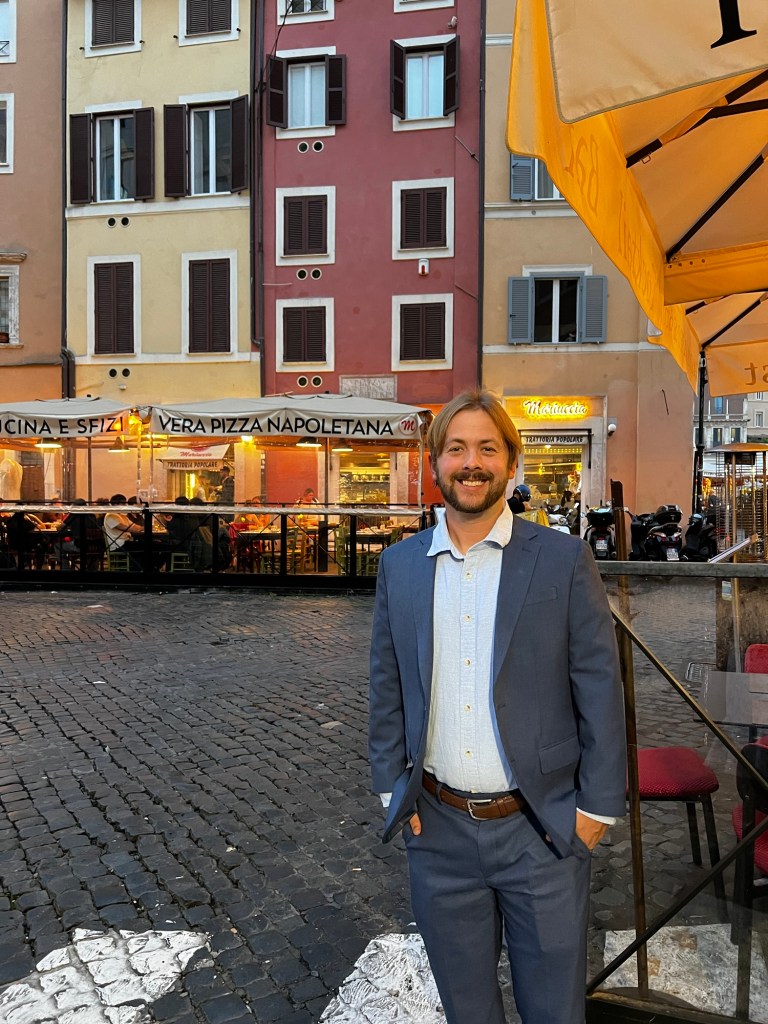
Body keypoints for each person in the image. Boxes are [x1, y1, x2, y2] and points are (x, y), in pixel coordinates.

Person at [369, 389, 626, 1024]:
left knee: (554, 1012)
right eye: (456, 449)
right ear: (435, 463)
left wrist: (594, 808)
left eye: (488, 448)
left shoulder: (562, 558)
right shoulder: (400, 566)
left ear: (511, 463)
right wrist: (392, 788)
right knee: (467, 1012)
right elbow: (386, 682)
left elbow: (598, 683)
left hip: (542, 830)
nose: (471, 463)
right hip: (439, 832)